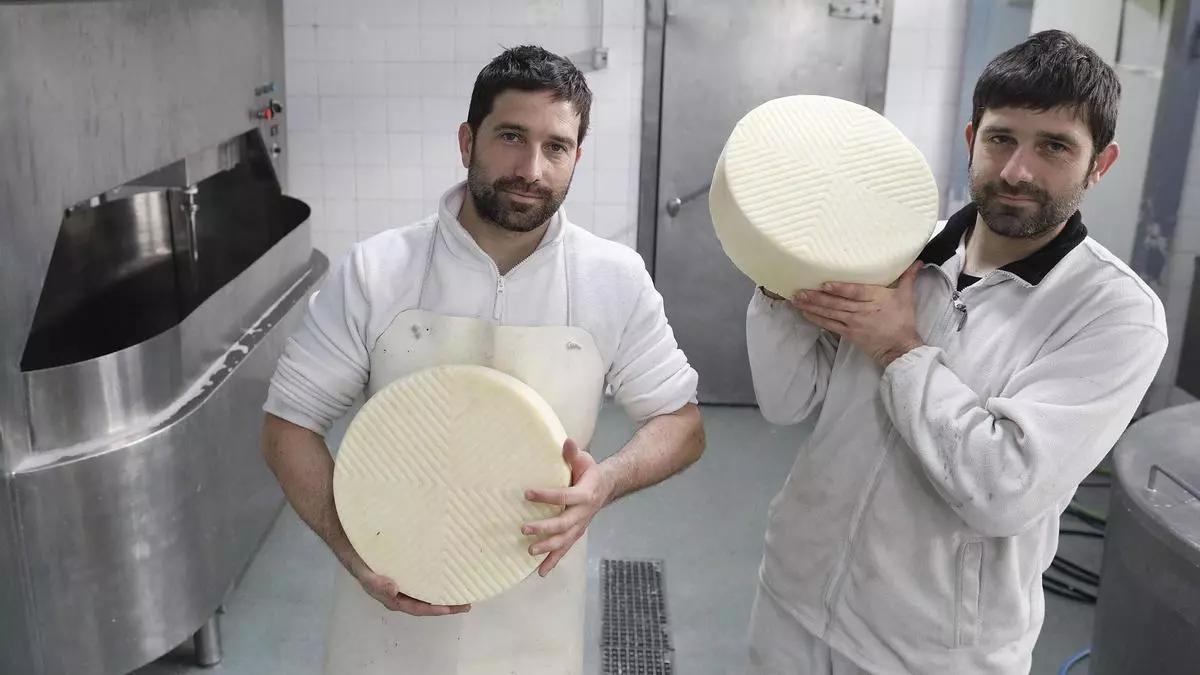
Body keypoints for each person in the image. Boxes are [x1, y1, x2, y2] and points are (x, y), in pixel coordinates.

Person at [261, 45, 704, 675]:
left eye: (556, 147)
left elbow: (681, 425)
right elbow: (288, 427)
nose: (531, 168)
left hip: (537, 614)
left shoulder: (613, 280)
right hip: (387, 612)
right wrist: (350, 547)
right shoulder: (377, 271)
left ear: (577, 157)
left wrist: (606, 481)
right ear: (468, 140)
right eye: (511, 137)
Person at [744, 30, 1166, 674]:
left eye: (1054, 146)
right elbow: (785, 402)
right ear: (972, 139)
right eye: (1001, 138)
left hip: (932, 652)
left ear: (1098, 165)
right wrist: (778, 288)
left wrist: (898, 347)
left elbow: (1003, 490)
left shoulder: (1114, 314)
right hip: (793, 599)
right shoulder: (900, 251)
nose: (1018, 170)